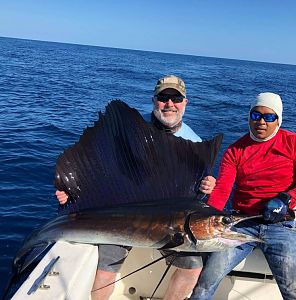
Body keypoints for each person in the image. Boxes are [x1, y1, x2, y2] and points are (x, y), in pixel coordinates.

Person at [56, 75, 216, 300]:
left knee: (192, 268)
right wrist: (73, 192)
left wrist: (209, 187)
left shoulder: (196, 145)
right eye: (163, 97)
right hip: (123, 217)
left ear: (185, 103)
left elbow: (195, 203)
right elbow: (101, 169)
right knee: (104, 270)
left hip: (170, 225)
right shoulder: (130, 133)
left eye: (176, 98)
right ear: (154, 100)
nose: (169, 104)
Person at [190, 92, 296, 300]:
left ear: (278, 120)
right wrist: (207, 219)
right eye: (255, 115)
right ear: (249, 116)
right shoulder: (235, 151)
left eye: (269, 117)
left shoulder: (294, 143)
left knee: (294, 289)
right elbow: (222, 189)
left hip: (280, 226)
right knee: (205, 283)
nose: (261, 121)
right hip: (241, 223)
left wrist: (286, 199)